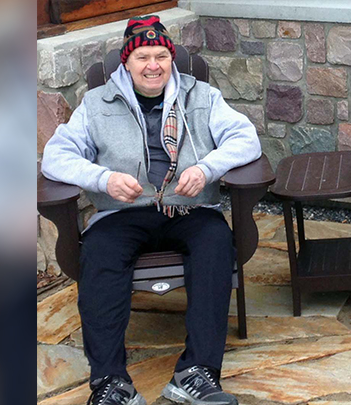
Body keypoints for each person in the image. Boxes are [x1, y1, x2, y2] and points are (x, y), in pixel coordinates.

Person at [42, 15, 261, 405]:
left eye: (161, 55)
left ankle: (197, 373)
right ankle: (110, 383)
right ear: (126, 61)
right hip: (124, 211)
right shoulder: (96, 103)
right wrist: (102, 179)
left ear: (172, 59)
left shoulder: (201, 96)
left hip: (190, 207)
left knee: (215, 244)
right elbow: (56, 157)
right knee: (100, 253)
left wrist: (207, 167)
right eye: (143, 56)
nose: (153, 65)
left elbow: (246, 139)